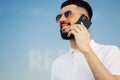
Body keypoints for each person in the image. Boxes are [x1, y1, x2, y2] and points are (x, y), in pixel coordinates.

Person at [51, 0, 120, 80]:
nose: (61, 20)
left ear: (84, 19)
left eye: (68, 14)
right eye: (59, 16)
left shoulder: (110, 52)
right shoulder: (57, 63)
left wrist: (86, 50)